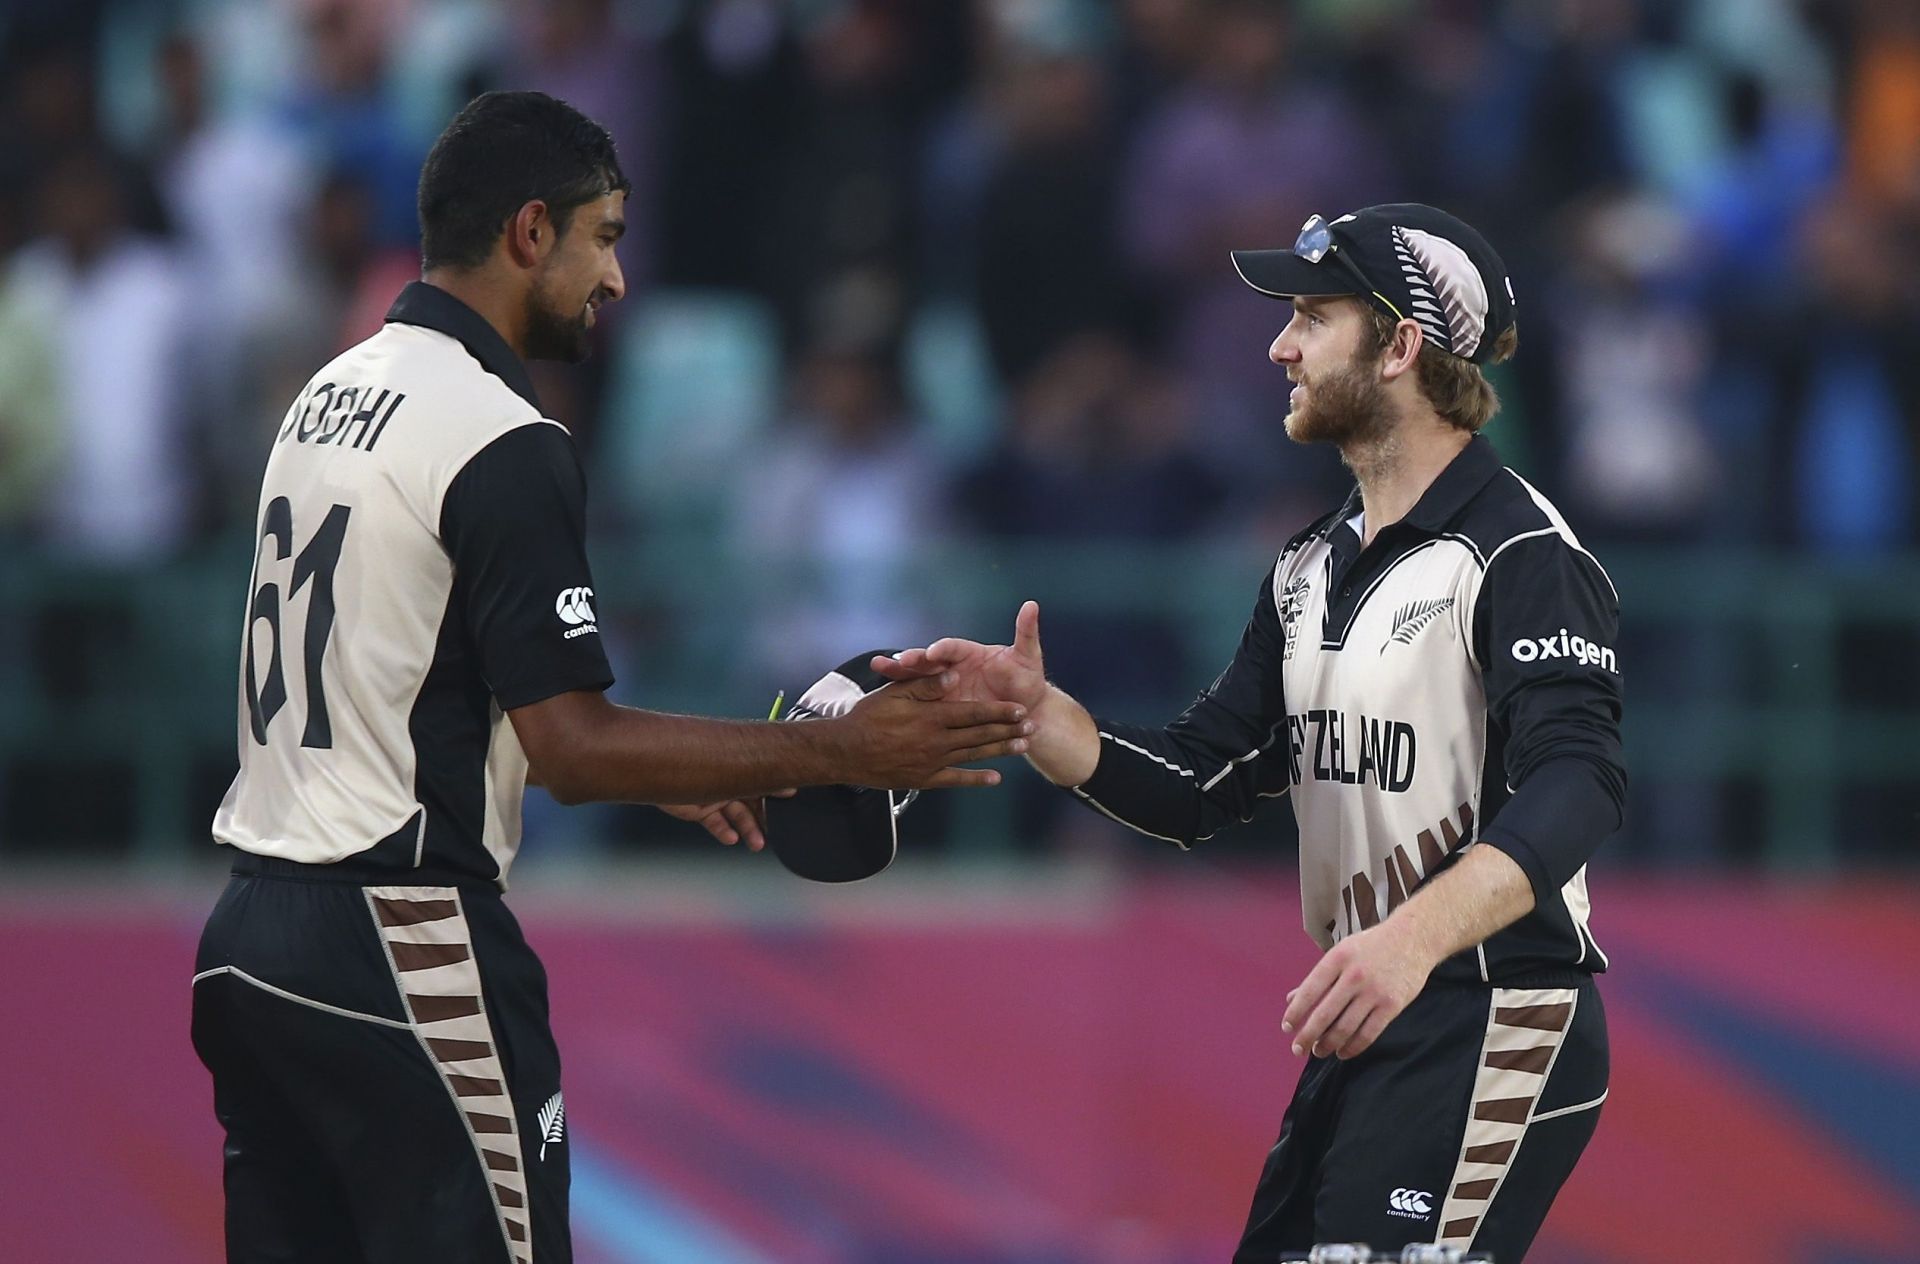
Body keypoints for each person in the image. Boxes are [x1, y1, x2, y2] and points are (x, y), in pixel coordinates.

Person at [191, 91, 1034, 1264]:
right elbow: (577, 750)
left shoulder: (326, 394)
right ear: (531, 232)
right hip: (403, 942)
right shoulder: (502, 432)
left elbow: (403, 696)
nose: (617, 279)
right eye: (605, 235)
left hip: (246, 936)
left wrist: (670, 766)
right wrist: (841, 750)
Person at [877, 205, 1623, 1261]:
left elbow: (1582, 779)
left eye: (1312, 318)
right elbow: (1197, 779)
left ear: (1401, 344)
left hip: (1494, 1006)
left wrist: (1408, 941)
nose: (1279, 345)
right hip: (1370, 1015)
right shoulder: (1307, 565)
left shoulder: (1519, 553)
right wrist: (1038, 718)